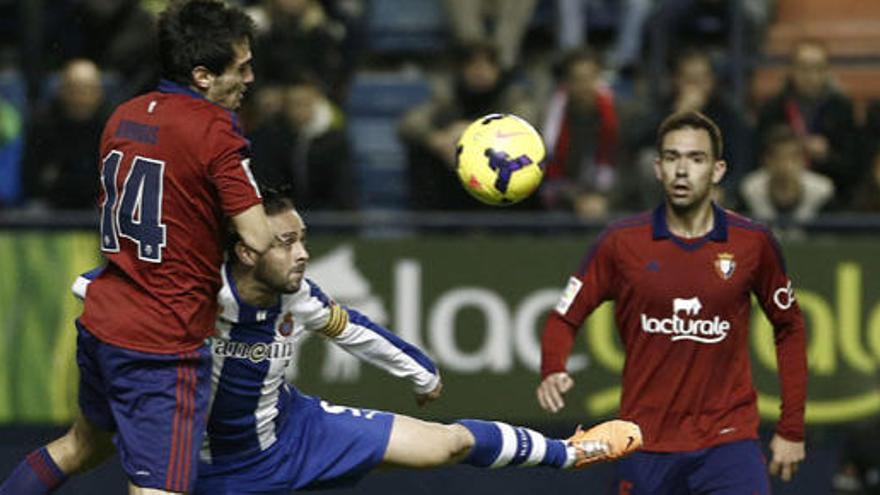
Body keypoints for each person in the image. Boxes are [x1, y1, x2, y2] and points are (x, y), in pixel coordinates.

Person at [51, 190, 643, 494]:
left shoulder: (299, 297)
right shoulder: (196, 293)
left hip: (297, 433)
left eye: (304, 237)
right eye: (286, 241)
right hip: (210, 471)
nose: (302, 252)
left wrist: (422, 374)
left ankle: (571, 451)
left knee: (450, 443)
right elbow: (93, 287)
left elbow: (354, 329)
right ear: (245, 249)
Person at [0, 1, 277, 494]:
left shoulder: (123, 115)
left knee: (81, 446)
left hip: (106, 320)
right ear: (202, 76)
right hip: (161, 343)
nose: (251, 78)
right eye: (242, 67)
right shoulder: (214, 131)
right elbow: (258, 238)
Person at [536, 111, 808, 494]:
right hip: (644, 443)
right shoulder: (621, 243)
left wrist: (791, 428)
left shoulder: (753, 243)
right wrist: (553, 366)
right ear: (658, 168)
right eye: (672, 158)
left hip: (728, 441)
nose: (683, 170)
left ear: (717, 170)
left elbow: (790, 327)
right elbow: (565, 316)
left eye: (696, 159)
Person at [756, 38, 858, 199]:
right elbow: (759, 155)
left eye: (817, 68)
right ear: (791, 70)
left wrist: (827, 156)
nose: (810, 75)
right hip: (778, 188)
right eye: (803, 67)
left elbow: (854, 164)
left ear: (827, 71)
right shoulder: (772, 109)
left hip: (831, 192)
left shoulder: (842, 109)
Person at [540, 47, 619, 220]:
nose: (584, 86)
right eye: (577, 79)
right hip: (565, 195)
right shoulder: (553, 117)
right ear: (567, 83)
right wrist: (577, 200)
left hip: (609, 197)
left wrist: (604, 198)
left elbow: (625, 169)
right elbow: (548, 169)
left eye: (590, 78)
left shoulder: (618, 115)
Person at [22, 59, 110, 209]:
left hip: (98, 205)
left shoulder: (114, 127)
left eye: (88, 89)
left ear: (99, 93)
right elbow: (31, 179)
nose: (81, 97)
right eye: (74, 89)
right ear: (62, 91)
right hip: (51, 206)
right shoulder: (42, 125)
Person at [740, 125, 834, 225]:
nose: (785, 165)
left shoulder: (822, 191)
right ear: (766, 160)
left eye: (792, 157)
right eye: (778, 157)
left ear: (803, 160)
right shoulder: (750, 189)